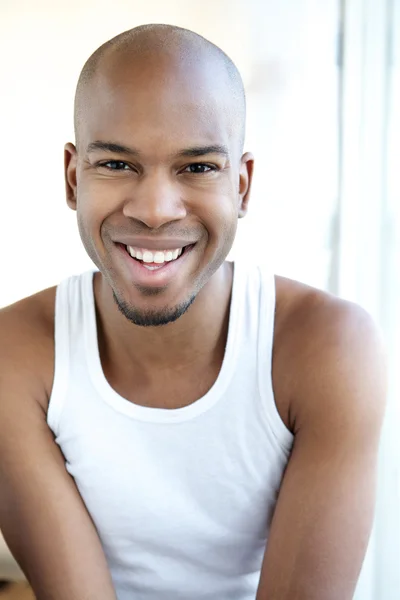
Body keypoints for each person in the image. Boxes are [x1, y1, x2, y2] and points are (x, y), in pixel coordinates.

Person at [0, 23, 387, 600]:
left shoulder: (329, 348)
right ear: (72, 177)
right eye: (117, 164)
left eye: (198, 167)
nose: (155, 210)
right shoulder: (16, 355)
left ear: (243, 185)